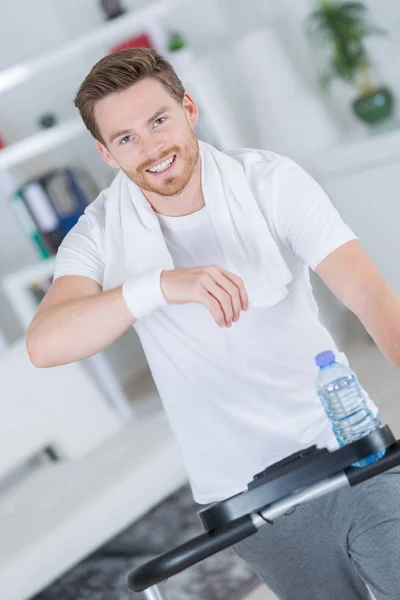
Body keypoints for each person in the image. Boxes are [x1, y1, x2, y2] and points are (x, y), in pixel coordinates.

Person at [26, 48, 400, 599]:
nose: (151, 147)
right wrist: (158, 286)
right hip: (242, 496)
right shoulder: (101, 231)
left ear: (189, 109)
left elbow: (369, 296)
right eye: (126, 138)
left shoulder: (270, 182)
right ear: (106, 154)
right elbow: (46, 342)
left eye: (159, 120)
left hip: (346, 442)